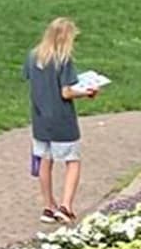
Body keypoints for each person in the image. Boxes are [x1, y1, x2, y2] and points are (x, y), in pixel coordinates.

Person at [27, 16, 98, 223]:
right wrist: (86, 92)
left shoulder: (33, 57)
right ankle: (66, 206)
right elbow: (66, 92)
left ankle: (48, 206)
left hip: (40, 119)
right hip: (62, 120)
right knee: (72, 160)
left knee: (45, 161)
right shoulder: (63, 60)